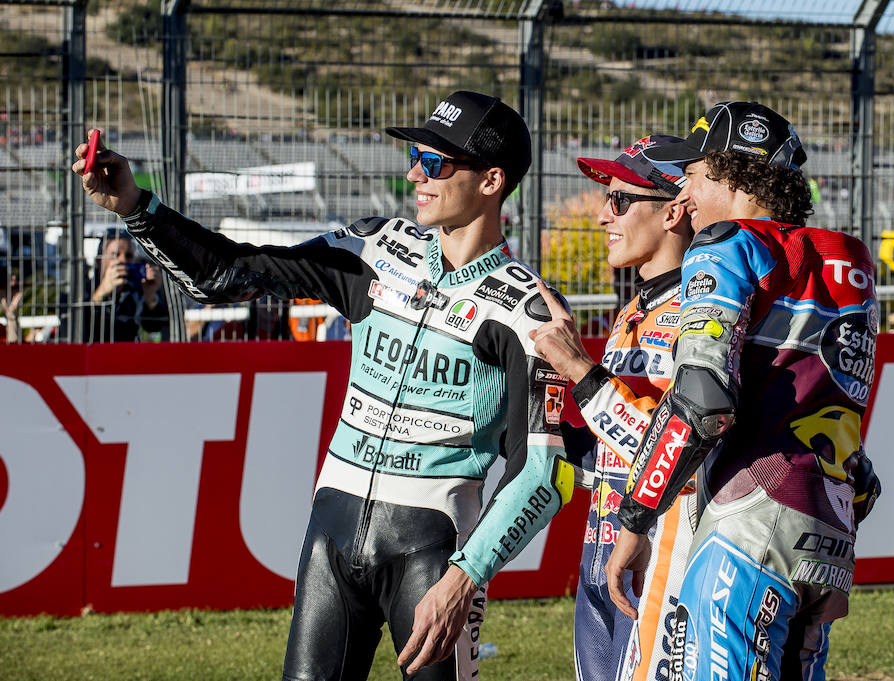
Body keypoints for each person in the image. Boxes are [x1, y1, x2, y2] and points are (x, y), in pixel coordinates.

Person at [73, 91, 575, 681]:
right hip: (332, 527)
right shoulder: (375, 248)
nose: (415, 173)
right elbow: (230, 274)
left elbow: (544, 472)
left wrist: (468, 574)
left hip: (435, 547)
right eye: (416, 155)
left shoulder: (529, 310)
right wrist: (134, 206)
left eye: (436, 163)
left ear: (492, 181)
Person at [606, 101, 881, 680]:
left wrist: (635, 518)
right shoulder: (850, 261)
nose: (684, 191)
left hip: (747, 529)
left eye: (694, 174)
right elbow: (856, 456)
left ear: (729, 177)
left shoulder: (728, 244)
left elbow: (702, 400)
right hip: (826, 543)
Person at [530, 135, 696, 681]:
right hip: (603, 553)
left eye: (621, 200)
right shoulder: (632, 308)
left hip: (665, 563)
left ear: (673, 211)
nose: (603, 214)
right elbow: (616, 452)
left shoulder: (704, 311)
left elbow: (677, 449)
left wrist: (581, 369)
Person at [86, 227, 168, 342]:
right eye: (115, 255)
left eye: (128, 256)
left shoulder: (137, 289)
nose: (123, 260)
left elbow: (156, 327)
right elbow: (79, 329)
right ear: (99, 261)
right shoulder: (83, 290)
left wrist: (150, 297)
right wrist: (98, 296)